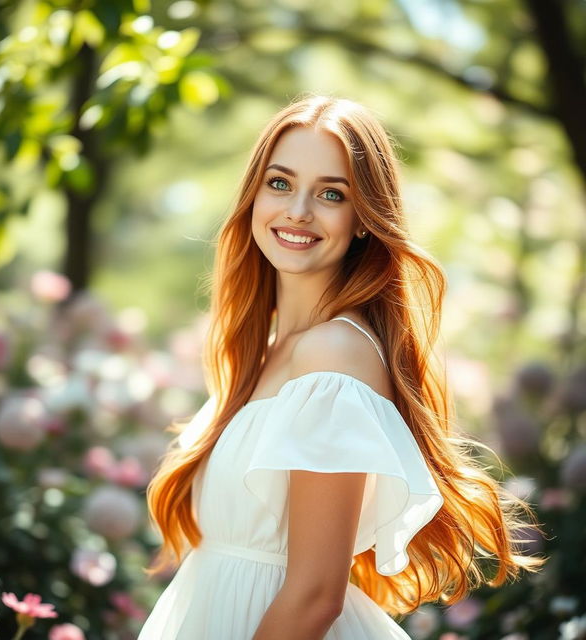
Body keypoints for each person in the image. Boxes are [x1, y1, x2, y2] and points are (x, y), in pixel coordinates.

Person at [137, 95, 544, 639]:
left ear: (362, 221)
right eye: (280, 183)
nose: (298, 211)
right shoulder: (270, 348)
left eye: (331, 194)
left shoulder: (332, 355)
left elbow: (314, 595)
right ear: (254, 195)